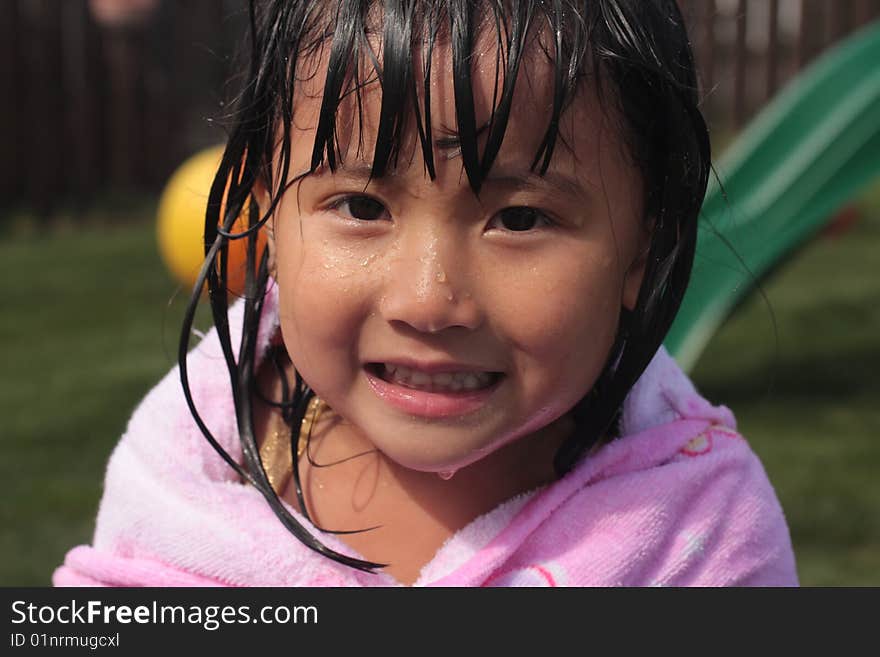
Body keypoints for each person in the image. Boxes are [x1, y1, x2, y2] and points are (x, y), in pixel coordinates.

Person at [54, 0, 798, 587]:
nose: (429, 299)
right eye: (361, 207)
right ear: (268, 218)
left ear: (645, 246)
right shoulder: (190, 478)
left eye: (520, 218)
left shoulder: (697, 532)